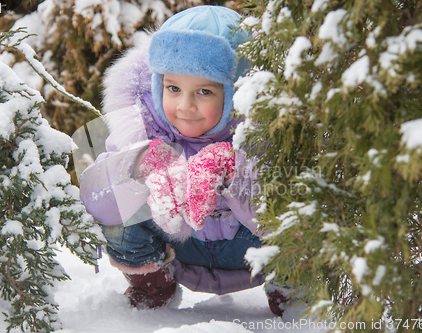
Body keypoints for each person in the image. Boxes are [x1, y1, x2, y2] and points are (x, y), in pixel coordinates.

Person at [79, 5, 289, 316]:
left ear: (236, 91)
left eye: (204, 91)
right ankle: (152, 286)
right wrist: (137, 165)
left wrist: (235, 171)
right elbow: (94, 200)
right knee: (121, 208)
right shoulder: (139, 122)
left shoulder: (264, 130)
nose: (184, 105)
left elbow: (282, 209)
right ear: (156, 83)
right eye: (173, 88)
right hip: (179, 248)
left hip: (250, 249)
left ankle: (291, 295)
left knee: (301, 220)